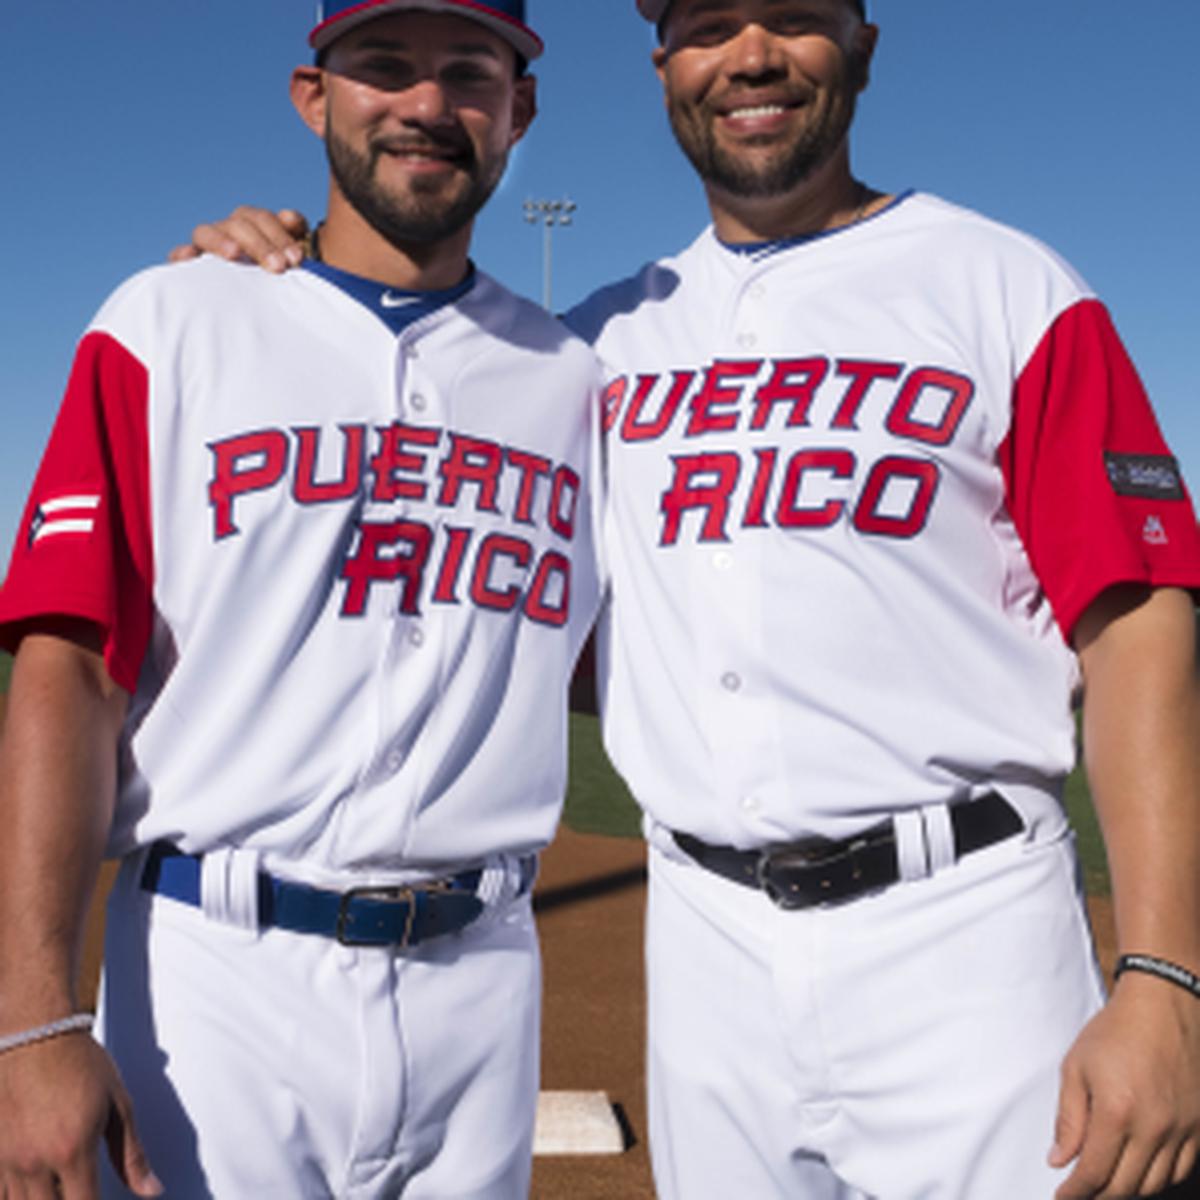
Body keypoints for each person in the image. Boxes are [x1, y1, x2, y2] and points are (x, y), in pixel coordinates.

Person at [176, 1, 1200, 1197]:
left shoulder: (1005, 286)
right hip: (706, 952)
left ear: (861, 47)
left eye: (797, 18)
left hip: (966, 932)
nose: (752, 55)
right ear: (666, 69)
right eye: (711, 24)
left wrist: (1166, 975)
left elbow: (1138, 622)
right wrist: (260, 281)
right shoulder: (587, 348)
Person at [0, 2, 601, 1197]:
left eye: (469, 73)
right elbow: (68, 665)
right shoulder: (170, 324)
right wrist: (32, 1020)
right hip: (217, 983)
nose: (427, 106)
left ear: (519, 108)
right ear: (312, 95)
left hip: (481, 989)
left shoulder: (582, 382)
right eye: (383, 66)